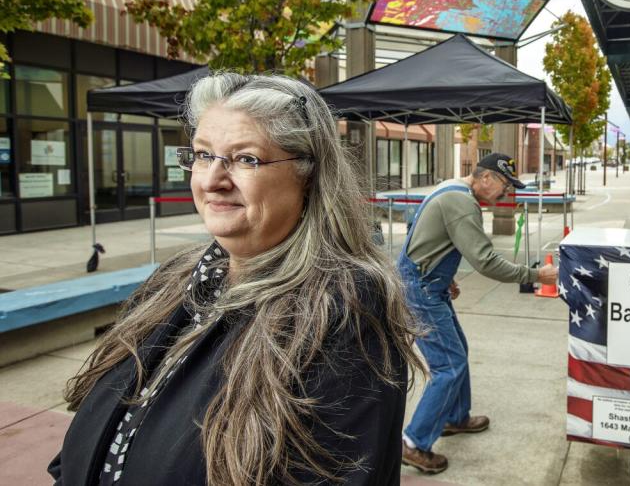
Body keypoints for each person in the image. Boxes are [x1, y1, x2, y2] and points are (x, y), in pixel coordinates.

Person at [50, 73, 421, 485]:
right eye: (203, 155)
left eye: (246, 159)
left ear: (309, 175)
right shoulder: (177, 278)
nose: (212, 180)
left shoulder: (343, 307)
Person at [399, 152, 559, 474]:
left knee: (458, 353)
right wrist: (535, 275)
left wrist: (446, 276)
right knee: (449, 365)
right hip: (422, 290)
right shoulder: (463, 203)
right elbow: (486, 261)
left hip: (427, 283)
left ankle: (456, 418)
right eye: (504, 185)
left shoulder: (451, 188)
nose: (506, 192)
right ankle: (414, 442)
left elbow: (420, 235)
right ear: (486, 178)